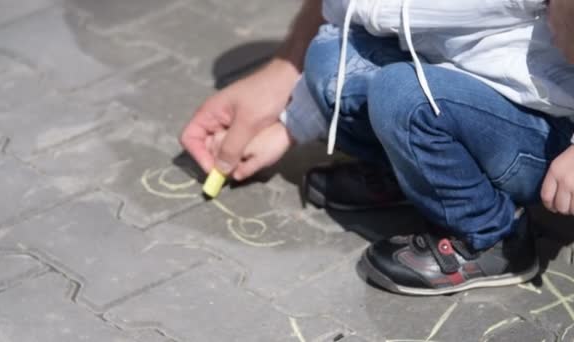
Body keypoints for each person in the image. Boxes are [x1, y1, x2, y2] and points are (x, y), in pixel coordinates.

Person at [181, 0, 574, 295]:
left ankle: (493, 236)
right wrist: (288, 125)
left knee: (401, 95)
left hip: (540, 126)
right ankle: (414, 179)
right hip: (460, 81)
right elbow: (351, 22)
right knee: (329, 58)